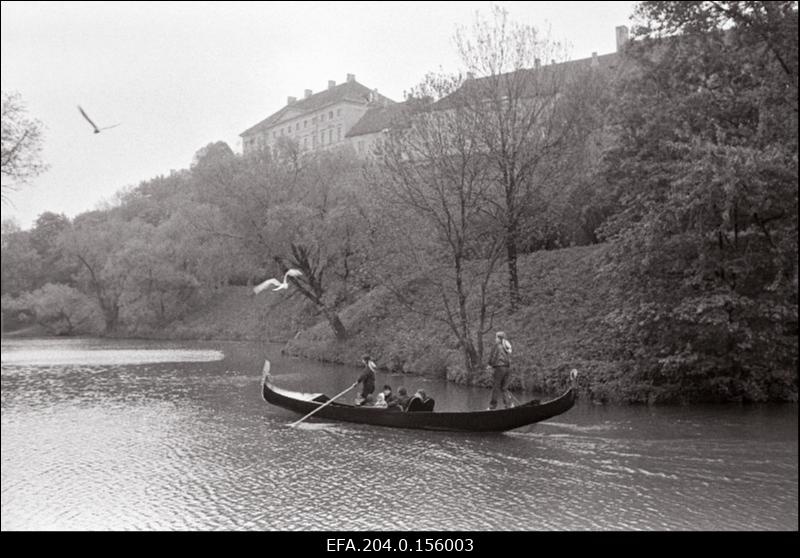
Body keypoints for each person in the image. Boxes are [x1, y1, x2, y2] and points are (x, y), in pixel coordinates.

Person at [486, 331, 513, 410]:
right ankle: (508, 406)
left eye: (496, 337)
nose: (495, 339)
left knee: (496, 387)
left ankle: (492, 407)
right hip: (508, 368)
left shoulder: (497, 346)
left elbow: (493, 356)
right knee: (504, 388)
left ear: (499, 338)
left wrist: (489, 365)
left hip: (499, 368)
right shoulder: (506, 347)